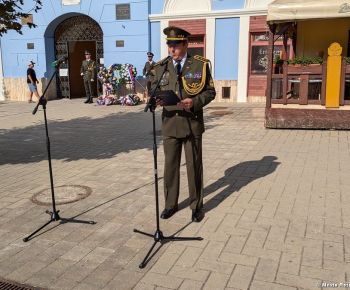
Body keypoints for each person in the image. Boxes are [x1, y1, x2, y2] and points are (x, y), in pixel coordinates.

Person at [152, 26, 216, 222]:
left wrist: (195, 102)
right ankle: (170, 204)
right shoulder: (161, 66)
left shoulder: (200, 64)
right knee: (170, 167)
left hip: (191, 123)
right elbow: (154, 90)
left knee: (194, 167)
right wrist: (156, 100)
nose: (172, 49)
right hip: (170, 123)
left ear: (186, 44)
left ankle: (196, 205)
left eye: (176, 45)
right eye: (169, 45)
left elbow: (210, 92)